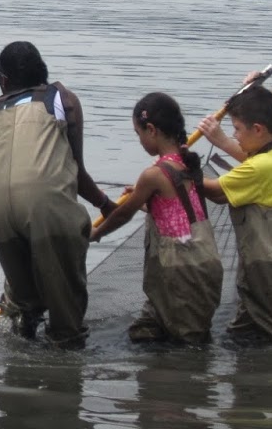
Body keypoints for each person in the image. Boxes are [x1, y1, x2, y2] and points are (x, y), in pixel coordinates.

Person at [0, 41, 115, 350]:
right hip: (44, 209)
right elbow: (77, 172)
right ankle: (64, 358)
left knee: (23, 306)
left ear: (4, 80)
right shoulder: (62, 99)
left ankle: (17, 362)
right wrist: (105, 204)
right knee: (66, 311)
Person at [91, 92, 222, 344]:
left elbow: (122, 214)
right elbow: (177, 214)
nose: (139, 140)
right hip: (204, 263)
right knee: (146, 334)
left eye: (138, 133)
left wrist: (97, 233)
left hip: (181, 271)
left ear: (151, 130)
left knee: (189, 345)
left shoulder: (154, 174)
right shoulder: (189, 166)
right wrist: (144, 200)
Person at [197, 85, 272, 341]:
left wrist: (176, 170)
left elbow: (215, 190)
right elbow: (221, 194)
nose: (234, 135)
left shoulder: (261, 166)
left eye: (237, 129)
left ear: (258, 129)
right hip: (265, 264)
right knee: (246, 334)